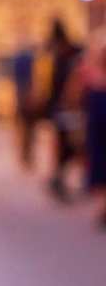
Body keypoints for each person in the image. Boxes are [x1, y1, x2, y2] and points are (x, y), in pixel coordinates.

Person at [43, 21, 82, 203]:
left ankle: (61, 177)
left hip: (68, 108)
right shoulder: (64, 55)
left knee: (70, 144)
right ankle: (59, 177)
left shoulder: (70, 56)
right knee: (64, 144)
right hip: (63, 108)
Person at [74, 31, 106, 229]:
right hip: (95, 129)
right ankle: (102, 207)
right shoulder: (88, 73)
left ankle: (102, 207)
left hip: (95, 128)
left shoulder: (89, 73)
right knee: (98, 163)